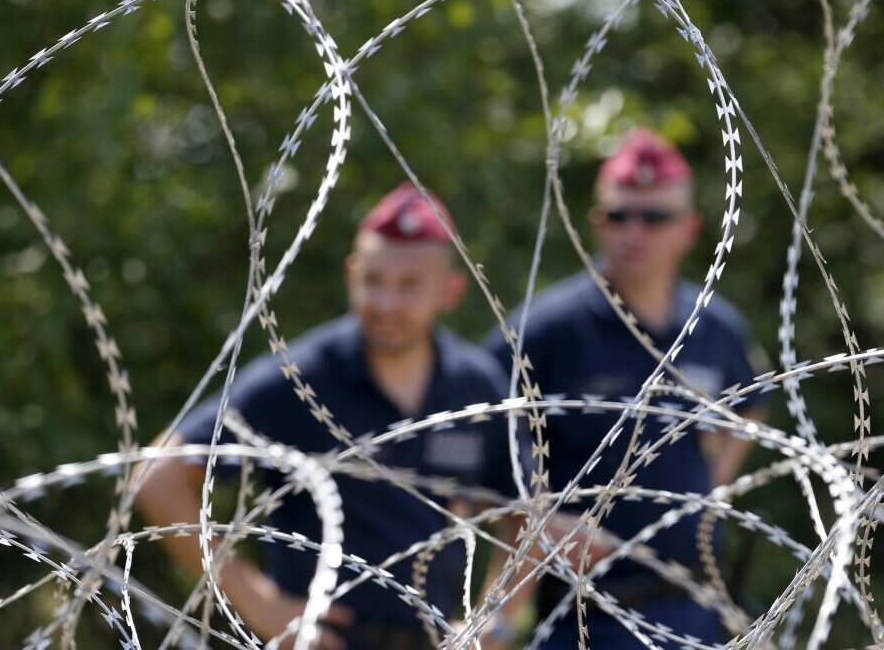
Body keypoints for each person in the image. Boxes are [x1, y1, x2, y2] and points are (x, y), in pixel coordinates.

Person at [137, 184, 517, 650]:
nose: (386, 304)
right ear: (351, 274)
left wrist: (494, 621)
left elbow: (523, 514)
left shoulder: (474, 385)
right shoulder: (302, 379)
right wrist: (261, 605)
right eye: (373, 281)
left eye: (409, 285)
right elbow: (158, 475)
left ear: (451, 291)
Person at [483, 128, 770, 648]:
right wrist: (538, 517)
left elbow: (752, 404)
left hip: (693, 605)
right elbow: (478, 430)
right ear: (596, 223)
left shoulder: (714, 327)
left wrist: (711, 484)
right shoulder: (548, 329)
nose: (634, 232)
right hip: (583, 614)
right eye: (619, 216)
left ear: (689, 229)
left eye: (654, 218)